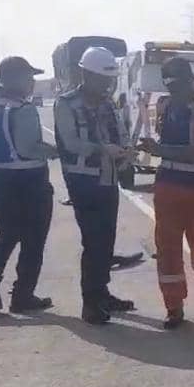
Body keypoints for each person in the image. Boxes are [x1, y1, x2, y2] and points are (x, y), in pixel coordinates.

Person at [136, 58, 194, 329]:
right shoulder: (163, 105)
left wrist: (157, 150)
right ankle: (174, 306)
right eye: (172, 83)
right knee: (168, 249)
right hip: (168, 185)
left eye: (180, 82)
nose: (176, 88)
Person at [54, 46, 136, 324]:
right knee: (93, 241)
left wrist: (125, 153)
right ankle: (91, 304)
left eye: (109, 80)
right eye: (102, 79)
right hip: (82, 180)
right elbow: (70, 142)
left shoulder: (107, 103)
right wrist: (103, 150)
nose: (106, 84)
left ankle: (102, 293)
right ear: (86, 74)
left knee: (106, 240)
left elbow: (121, 131)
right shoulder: (66, 103)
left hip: (107, 178)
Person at [0, 56, 60, 313]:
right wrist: (56, 151)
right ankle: (23, 295)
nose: (32, 83)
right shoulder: (22, 109)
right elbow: (29, 148)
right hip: (29, 180)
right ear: (15, 79)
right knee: (34, 239)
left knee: (8, 232)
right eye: (29, 77)